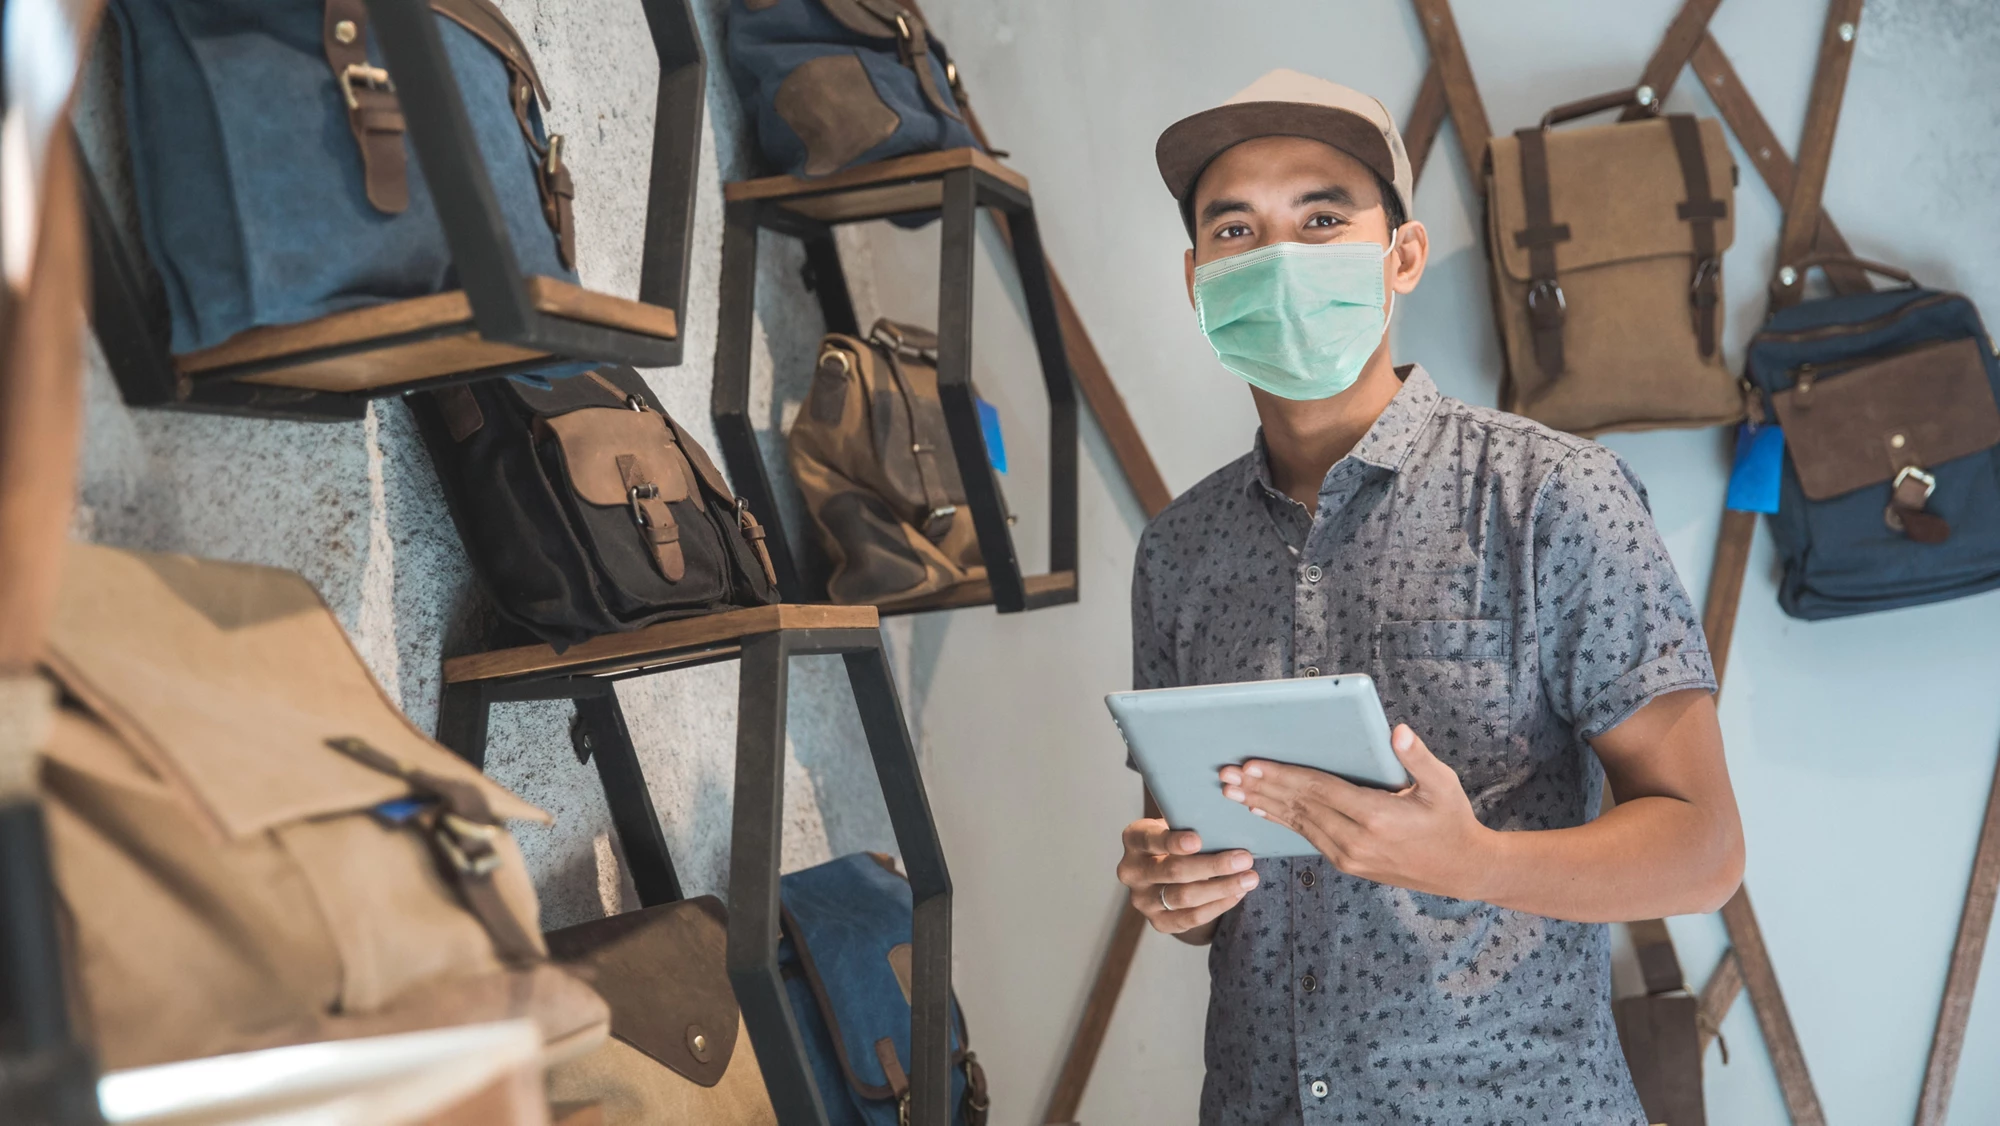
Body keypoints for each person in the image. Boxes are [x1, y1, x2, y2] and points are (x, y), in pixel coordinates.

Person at [1115, 69, 1745, 1124]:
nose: (1277, 259)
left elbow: (1702, 847)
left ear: (1399, 256)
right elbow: (1196, 868)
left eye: (1320, 218)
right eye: (1236, 230)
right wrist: (1170, 891)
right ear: (1194, 279)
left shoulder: (1550, 495)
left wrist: (1477, 862)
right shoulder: (1177, 551)